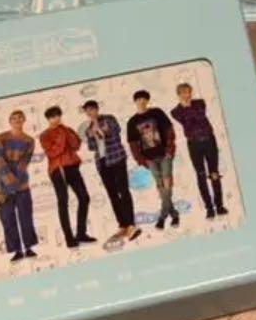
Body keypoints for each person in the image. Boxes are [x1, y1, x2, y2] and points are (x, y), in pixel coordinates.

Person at [79, 100, 140, 243]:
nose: (89, 113)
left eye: (91, 109)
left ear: (97, 109)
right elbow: (92, 147)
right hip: (102, 162)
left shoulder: (109, 119)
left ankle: (131, 225)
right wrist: (92, 135)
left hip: (116, 158)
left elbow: (115, 131)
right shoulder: (88, 128)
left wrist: (102, 129)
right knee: (112, 194)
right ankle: (123, 225)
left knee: (123, 191)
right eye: (87, 111)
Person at [40, 106, 96, 249]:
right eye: (53, 117)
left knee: (84, 197)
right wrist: (61, 135)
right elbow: (53, 152)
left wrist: (65, 131)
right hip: (58, 169)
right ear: (48, 119)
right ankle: (69, 238)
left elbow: (76, 145)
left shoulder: (67, 129)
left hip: (72, 166)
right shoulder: (45, 135)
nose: (56, 119)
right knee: (63, 202)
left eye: (58, 115)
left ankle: (81, 234)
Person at [169, 83, 226, 218]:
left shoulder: (200, 103)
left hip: (209, 140)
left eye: (188, 92)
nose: (187, 95)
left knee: (214, 172)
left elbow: (200, 117)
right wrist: (188, 111)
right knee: (200, 175)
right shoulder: (175, 112)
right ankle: (209, 208)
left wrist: (188, 110)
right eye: (183, 93)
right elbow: (187, 124)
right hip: (194, 145)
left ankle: (219, 206)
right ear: (178, 95)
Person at [0, 110, 39, 263]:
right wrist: (9, 184)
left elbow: (24, 163)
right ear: (9, 121)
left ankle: (29, 247)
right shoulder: (0, 138)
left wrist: (16, 183)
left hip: (21, 184)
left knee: (26, 216)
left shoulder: (29, 140)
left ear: (24, 120)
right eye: (14, 118)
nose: (17, 120)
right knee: (7, 218)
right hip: (1, 185)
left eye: (20, 118)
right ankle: (17, 251)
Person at [127, 90, 178, 229]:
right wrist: (141, 160)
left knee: (167, 181)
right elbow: (133, 145)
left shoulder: (157, 112)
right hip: (149, 158)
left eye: (144, 99)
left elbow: (169, 130)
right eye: (139, 99)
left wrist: (170, 150)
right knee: (160, 184)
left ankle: (162, 216)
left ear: (147, 100)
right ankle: (173, 213)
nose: (141, 101)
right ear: (135, 101)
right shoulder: (132, 122)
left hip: (164, 154)